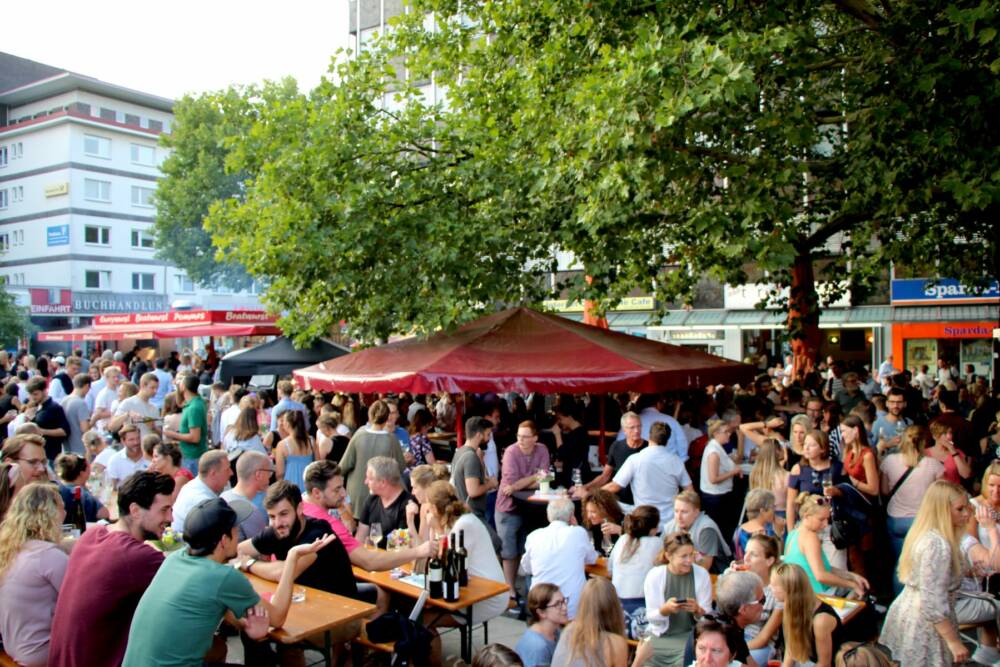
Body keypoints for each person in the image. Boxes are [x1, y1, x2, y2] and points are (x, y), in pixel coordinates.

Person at [124, 496, 331, 667]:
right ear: (224, 540)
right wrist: (293, 557)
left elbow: (219, 609)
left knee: (219, 649)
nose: (238, 535)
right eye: (235, 530)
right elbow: (277, 618)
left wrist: (247, 626)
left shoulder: (175, 559)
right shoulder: (223, 577)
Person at [48, 471, 175, 667]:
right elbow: (191, 589)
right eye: (164, 510)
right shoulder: (137, 557)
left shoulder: (93, 534)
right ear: (135, 511)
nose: (171, 518)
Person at [882, 480, 972, 665]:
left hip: (915, 616)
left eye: (967, 507)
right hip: (925, 625)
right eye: (960, 509)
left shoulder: (929, 534)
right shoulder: (937, 544)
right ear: (942, 510)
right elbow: (931, 602)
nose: (967, 513)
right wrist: (953, 642)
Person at [0, 483, 69, 666]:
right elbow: (80, 602)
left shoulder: (10, 549)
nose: (66, 513)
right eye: (63, 508)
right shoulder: (48, 556)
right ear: (51, 514)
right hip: (40, 654)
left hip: (13, 648)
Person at [425, 480, 508, 619]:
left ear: (434, 507)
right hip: (473, 586)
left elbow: (445, 563)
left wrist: (437, 529)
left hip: (487, 595)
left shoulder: (464, 524)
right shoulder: (457, 520)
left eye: (427, 504)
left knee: (425, 619)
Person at [496, 420, 551, 602]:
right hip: (509, 507)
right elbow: (510, 485)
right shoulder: (511, 452)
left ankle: (519, 589)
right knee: (508, 551)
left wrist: (528, 481)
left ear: (535, 438)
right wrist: (535, 477)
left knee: (523, 549)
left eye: (526, 437)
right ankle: (509, 592)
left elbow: (544, 479)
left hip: (530, 507)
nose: (521, 440)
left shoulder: (541, 449)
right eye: (519, 436)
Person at [643, 531, 713, 667]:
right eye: (684, 556)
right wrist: (664, 610)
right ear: (669, 556)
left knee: (683, 661)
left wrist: (698, 610)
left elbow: (709, 618)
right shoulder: (655, 576)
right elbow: (650, 617)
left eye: (691, 555)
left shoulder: (701, 575)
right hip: (659, 636)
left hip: (689, 636)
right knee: (645, 660)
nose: (689, 561)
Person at [522, 496, 598, 619]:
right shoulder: (578, 533)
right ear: (572, 516)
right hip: (572, 607)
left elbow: (527, 568)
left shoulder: (533, 536)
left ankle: (528, 615)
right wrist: (577, 526)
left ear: (548, 516)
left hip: (541, 604)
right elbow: (592, 559)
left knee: (530, 577)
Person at [605, 421, 693, 526]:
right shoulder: (676, 461)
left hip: (645, 523)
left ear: (649, 436)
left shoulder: (635, 460)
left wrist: (592, 493)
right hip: (670, 523)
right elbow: (690, 491)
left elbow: (614, 486)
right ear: (667, 440)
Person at [880, 425, 944, 563]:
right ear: (924, 442)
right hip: (923, 520)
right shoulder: (934, 464)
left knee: (900, 564)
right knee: (923, 563)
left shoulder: (889, 461)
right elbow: (941, 495)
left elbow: (884, 491)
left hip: (896, 519)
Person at [783, 494, 868, 596]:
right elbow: (821, 576)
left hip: (799, 594)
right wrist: (851, 584)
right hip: (816, 595)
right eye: (821, 519)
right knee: (860, 593)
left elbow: (824, 568)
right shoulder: (810, 537)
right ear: (807, 516)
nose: (826, 524)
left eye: (827, 519)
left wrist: (852, 576)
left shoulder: (793, 533)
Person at [771, 562, 846, 667]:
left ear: (788, 589)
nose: (771, 588)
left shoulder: (821, 620)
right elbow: (791, 646)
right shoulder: (791, 606)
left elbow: (824, 664)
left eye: (774, 585)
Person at [339, 399, 407, 512]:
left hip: (357, 496)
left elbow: (344, 466)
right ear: (386, 418)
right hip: (380, 494)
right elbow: (400, 468)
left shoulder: (358, 435)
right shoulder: (391, 440)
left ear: (370, 415)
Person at [550, 577, 630, 667]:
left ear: (583, 604)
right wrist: (639, 658)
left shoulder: (568, 631)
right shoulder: (615, 643)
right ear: (615, 607)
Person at [576, 411, 646, 504]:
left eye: (639, 426)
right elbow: (605, 476)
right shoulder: (616, 446)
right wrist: (585, 487)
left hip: (642, 502)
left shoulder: (648, 448)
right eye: (632, 427)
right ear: (624, 430)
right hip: (620, 502)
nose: (637, 430)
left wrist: (590, 493)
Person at [734, 534, 783, 665]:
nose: (746, 558)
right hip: (735, 637)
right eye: (745, 552)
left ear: (769, 561)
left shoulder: (778, 592)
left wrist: (733, 649)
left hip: (760, 644)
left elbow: (764, 638)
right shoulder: (740, 580)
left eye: (753, 555)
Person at [608, 505, 661, 626]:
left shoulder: (622, 539)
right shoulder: (657, 543)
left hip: (616, 607)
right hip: (642, 609)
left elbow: (609, 569)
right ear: (653, 528)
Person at [661, 490, 731, 573]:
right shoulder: (669, 527)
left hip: (714, 573)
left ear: (696, 512)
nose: (679, 517)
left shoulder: (706, 529)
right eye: (676, 511)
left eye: (684, 512)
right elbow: (660, 557)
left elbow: (705, 567)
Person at [356, 456, 413, 548]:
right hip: (373, 557)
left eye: (369, 479)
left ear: (383, 482)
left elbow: (399, 547)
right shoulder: (371, 500)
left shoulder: (407, 505)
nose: (365, 482)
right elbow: (360, 538)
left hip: (394, 559)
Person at [450, 416, 499, 523]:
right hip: (472, 514)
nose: (489, 438)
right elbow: (473, 491)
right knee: (495, 540)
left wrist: (480, 460)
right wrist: (491, 484)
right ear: (478, 435)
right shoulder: (471, 457)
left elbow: (474, 479)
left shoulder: (461, 451)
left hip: (466, 512)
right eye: (487, 434)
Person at [700, 418, 742, 540]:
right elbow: (713, 478)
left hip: (719, 495)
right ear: (716, 434)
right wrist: (733, 472)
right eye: (726, 432)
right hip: (715, 497)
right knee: (720, 529)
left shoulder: (718, 448)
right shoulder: (714, 452)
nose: (729, 434)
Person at [171, 449, 230, 534]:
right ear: (213, 473)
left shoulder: (194, 485)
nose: (231, 473)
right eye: (227, 469)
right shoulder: (203, 501)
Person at [162, 374, 209, 475]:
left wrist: (172, 434)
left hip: (192, 457)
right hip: (191, 455)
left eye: (179, 383)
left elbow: (195, 437)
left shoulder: (193, 408)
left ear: (183, 387)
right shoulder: (196, 403)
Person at [220, 450, 271, 540]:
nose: (270, 476)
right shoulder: (250, 511)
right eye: (269, 472)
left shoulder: (223, 496)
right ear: (258, 475)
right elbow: (263, 549)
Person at [516, 582, 569, 667]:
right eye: (557, 604)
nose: (565, 607)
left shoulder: (555, 630)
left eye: (564, 601)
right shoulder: (538, 646)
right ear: (541, 612)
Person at [24, 375, 71, 462]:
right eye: (31, 394)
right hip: (41, 454)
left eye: (35, 394)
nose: (33, 397)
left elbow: (64, 431)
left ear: (44, 391)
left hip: (52, 456)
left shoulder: (54, 408)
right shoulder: (38, 406)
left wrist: (41, 431)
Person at [748, 439, 788, 535]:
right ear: (777, 451)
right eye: (782, 447)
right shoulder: (786, 475)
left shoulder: (755, 473)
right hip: (780, 516)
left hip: (760, 516)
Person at [54, 452, 109, 522]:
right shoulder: (82, 494)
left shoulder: (55, 489)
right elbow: (104, 514)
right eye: (88, 466)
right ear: (82, 472)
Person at [107, 372, 160, 440]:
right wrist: (127, 415)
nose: (155, 391)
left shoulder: (154, 408)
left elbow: (160, 434)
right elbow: (112, 427)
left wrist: (153, 427)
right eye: (152, 388)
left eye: (157, 388)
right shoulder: (127, 403)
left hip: (148, 446)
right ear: (142, 385)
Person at [275, 408, 317, 491]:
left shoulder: (282, 445)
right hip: (309, 485)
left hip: (290, 487)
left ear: (287, 424)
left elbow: (280, 473)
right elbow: (318, 463)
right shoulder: (311, 441)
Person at [925, 418, 972, 486]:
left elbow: (966, 475)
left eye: (950, 432)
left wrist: (953, 451)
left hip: (953, 493)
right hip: (933, 493)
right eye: (944, 433)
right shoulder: (925, 453)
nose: (949, 436)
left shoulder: (957, 452)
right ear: (935, 436)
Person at [733, 489, 775, 561]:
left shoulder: (738, 530)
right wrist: (779, 535)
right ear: (762, 511)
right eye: (773, 507)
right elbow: (774, 558)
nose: (774, 510)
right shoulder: (765, 533)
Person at [105, 424, 149, 490]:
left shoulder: (151, 457)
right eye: (131, 440)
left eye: (138, 438)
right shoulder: (115, 460)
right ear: (123, 441)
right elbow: (113, 487)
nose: (136, 442)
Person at [582, 488, 625, 553]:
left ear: (605, 510)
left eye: (593, 512)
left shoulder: (623, 521)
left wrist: (620, 530)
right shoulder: (591, 525)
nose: (589, 516)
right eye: (587, 511)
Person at [58, 372, 92, 455]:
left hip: (66, 448)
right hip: (80, 448)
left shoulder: (63, 401)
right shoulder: (81, 403)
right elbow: (85, 429)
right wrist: (94, 419)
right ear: (87, 386)